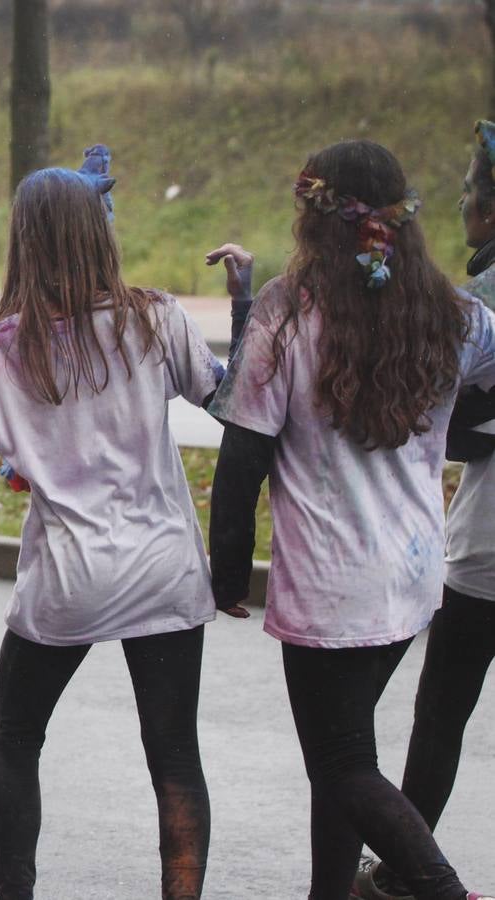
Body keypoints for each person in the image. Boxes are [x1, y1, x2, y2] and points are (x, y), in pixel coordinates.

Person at [0, 148, 227, 900]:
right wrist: (249, 307)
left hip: (69, 584)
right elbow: (234, 402)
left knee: (16, 741)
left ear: (23, 242)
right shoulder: (159, 319)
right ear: (100, 233)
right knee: (173, 753)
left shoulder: (0, 353)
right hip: (165, 569)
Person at [209, 139, 495, 900]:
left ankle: (440, 889)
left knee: (340, 765)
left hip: (331, 588)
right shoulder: (455, 315)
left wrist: (226, 572)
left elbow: (241, 461)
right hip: (412, 577)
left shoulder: (287, 310)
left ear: (314, 215)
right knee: (346, 755)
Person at [355, 122, 495, 900]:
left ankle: (409, 877)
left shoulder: (473, 307)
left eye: (473, 192)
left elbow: (441, 422)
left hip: (482, 558)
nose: (463, 203)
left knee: (439, 719)